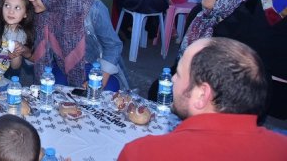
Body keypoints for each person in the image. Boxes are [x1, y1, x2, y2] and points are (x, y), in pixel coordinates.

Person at [119, 38, 287, 161]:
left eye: (178, 73)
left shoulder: (142, 153)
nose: (172, 80)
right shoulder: (281, 149)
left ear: (201, 95)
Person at [25, 0, 127, 90]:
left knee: (103, 96)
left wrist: (100, 78)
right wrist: (25, 52)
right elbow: (41, 55)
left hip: (96, 67)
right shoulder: (45, 12)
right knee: (52, 94)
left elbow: (113, 46)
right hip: (64, 66)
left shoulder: (93, 10)